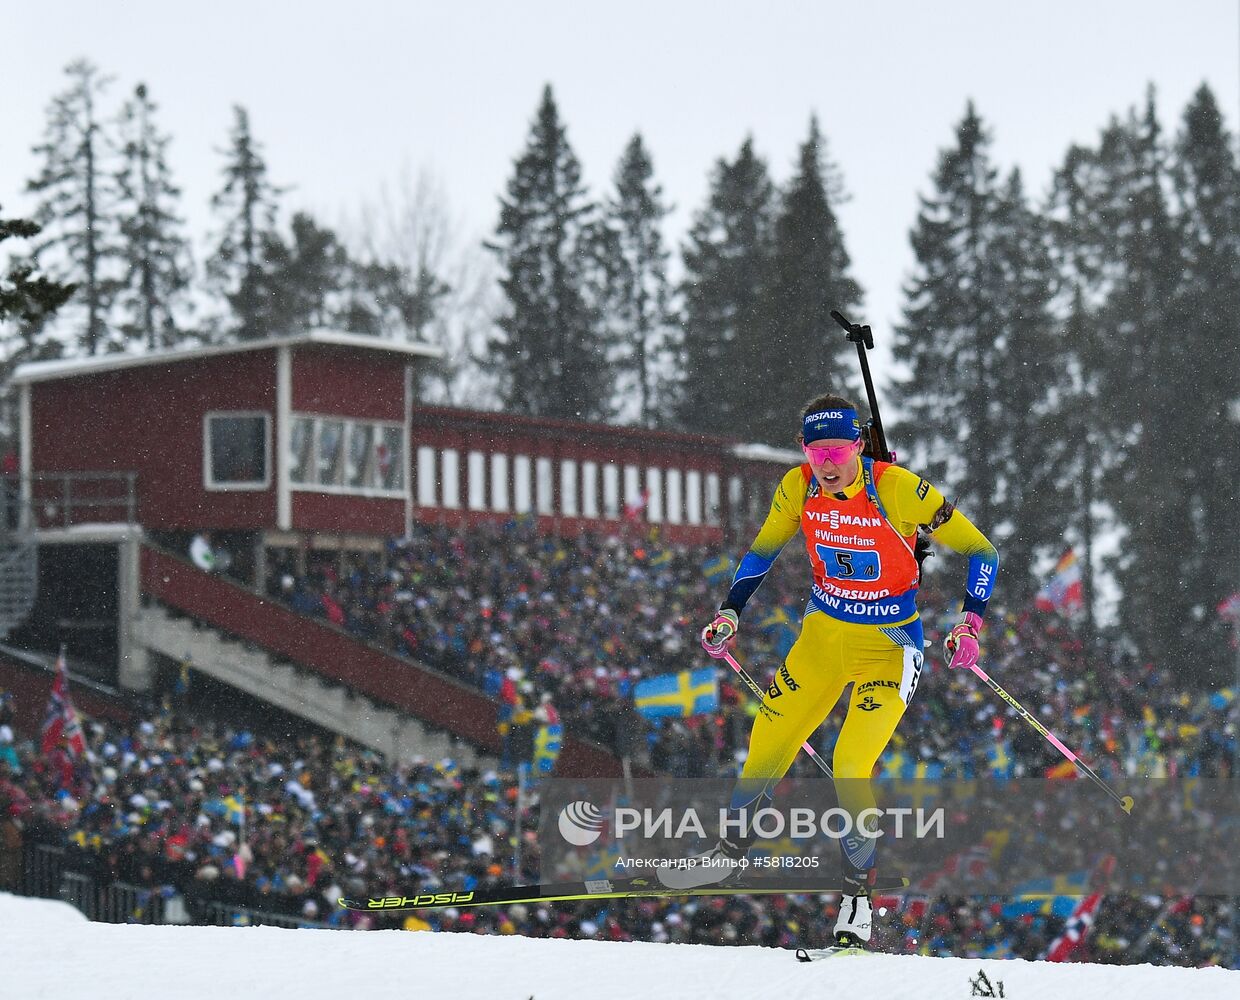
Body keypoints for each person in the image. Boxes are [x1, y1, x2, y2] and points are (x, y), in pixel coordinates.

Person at [664, 393, 998, 950]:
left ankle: (857, 902)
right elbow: (763, 549)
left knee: (849, 765)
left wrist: (969, 626)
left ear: (858, 444)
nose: (826, 461)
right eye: (815, 450)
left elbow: (981, 550)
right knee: (767, 736)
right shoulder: (796, 487)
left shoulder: (896, 489)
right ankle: (727, 857)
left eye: (837, 449)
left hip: (888, 649)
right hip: (821, 639)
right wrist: (730, 611)